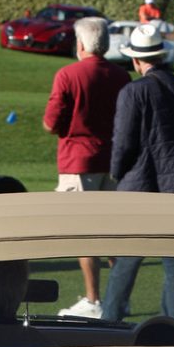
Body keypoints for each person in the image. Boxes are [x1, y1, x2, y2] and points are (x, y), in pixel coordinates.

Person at [101, 23, 174, 324]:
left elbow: (123, 141)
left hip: (140, 183)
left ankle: (111, 320)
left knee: (128, 256)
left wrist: (116, 172)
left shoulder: (133, 91)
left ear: (136, 60)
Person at [42, 16, 129, 318]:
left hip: (79, 161)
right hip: (113, 160)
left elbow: (51, 123)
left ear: (80, 43)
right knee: (113, 232)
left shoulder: (68, 74)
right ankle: (120, 296)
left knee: (84, 232)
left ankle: (94, 300)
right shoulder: (121, 75)